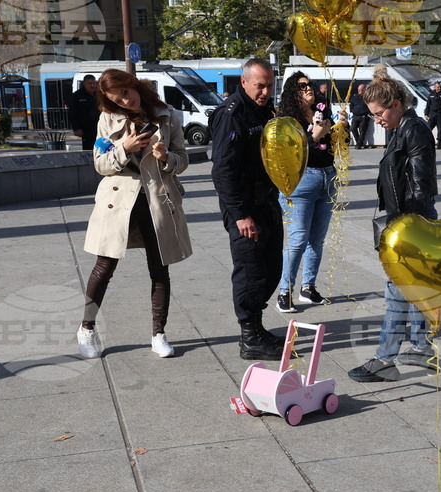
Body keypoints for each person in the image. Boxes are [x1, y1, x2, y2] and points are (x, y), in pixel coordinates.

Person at [77, 69, 192, 360]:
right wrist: (124, 148)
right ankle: (86, 328)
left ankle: (159, 334)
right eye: (118, 99)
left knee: (159, 267)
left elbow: (184, 159)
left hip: (156, 198)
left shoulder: (166, 115)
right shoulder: (107, 119)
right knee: (104, 267)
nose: (126, 102)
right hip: (119, 200)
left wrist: (166, 157)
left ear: (134, 85)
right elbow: (100, 164)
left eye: (127, 93)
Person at [348, 67, 438, 383]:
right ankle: (420, 349)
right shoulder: (401, 129)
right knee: (412, 290)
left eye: (379, 113)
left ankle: (385, 360)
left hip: (412, 223)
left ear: (397, 102)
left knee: (396, 291)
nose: (377, 120)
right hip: (406, 220)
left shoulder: (414, 130)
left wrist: (404, 231)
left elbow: (419, 184)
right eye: (372, 116)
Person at [210, 58, 288, 361]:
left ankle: (256, 323)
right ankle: (250, 335)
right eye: (260, 85)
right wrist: (240, 215)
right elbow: (223, 171)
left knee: (272, 268)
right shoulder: (232, 115)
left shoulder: (265, 110)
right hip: (244, 208)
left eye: (270, 85)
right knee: (252, 271)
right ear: (244, 82)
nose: (266, 91)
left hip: (266, 201)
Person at [274, 73, 346, 314]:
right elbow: (286, 151)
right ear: (292, 92)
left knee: (317, 239)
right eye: (302, 86)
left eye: (310, 85)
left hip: (327, 175)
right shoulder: (286, 119)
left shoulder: (321, 111)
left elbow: (337, 146)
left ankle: (308, 287)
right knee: (297, 240)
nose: (309, 89)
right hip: (301, 180)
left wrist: (341, 129)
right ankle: (285, 291)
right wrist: (313, 136)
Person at [69, 75, 101, 151]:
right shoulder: (77, 95)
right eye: (90, 83)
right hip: (86, 127)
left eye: (94, 83)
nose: (92, 85)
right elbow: (73, 113)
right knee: (89, 149)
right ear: (84, 84)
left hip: (98, 125)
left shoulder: (99, 95)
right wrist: (77, 128)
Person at [423, 81, 441, 149]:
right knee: (428, 128)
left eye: (440, 87)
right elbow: (428, 105)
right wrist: (426, 114)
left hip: (440, 114)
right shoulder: (431, 95)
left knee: (440, 129)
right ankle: (427, 142)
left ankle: (439, 143)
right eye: (437, 87)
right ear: (434, 87)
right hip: (432, 114)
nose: (439, 88)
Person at [349, 83, 370, 149]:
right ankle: (358, 141)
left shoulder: (367, 97)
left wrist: (367, 112)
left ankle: (359, 144)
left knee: (362, 130)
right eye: (358, 90)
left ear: (364, 90)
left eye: (360, 90)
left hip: (364, 116)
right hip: (355, 115)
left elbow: (370, 106)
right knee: (353, 128)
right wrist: (352, 110)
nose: (359, 91)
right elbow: (351, 105)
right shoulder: (355, 97)